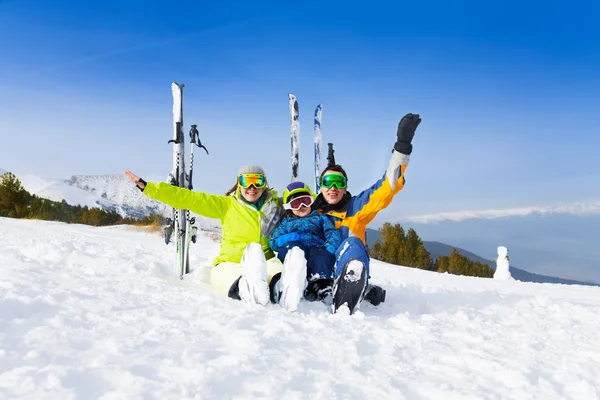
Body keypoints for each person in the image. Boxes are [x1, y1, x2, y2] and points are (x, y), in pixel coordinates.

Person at [124, 165, 284, 306]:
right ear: (238, 184)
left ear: (264, 185)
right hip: (231, 261)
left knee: (275, 268)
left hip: (264, 259)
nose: (252, 187)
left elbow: (304, 200)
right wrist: (149, 188)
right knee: (221, 276)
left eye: (257, 182)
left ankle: (281, 287)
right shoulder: (226, 205)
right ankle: (247, 287)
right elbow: (189, 199)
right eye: (246, 181)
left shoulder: (276, 205)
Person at [312, 113, 422, 314]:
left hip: (346, 266)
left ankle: (350, 285)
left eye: (339, 183)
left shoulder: (356, 208)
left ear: (346, 188)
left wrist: (402, 148)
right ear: (320, 187)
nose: (333, 188)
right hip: (319, 272)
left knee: (352, 243)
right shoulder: (310, 211)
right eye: (328, 183)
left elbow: (387, 187)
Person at [268, 181, 341, 311]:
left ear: (311, 202)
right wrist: (285, 239)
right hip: (295, 251)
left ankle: (321, 284)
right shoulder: (287, 223)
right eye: (296, 203)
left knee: (320, 254)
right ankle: (291, 281)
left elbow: (332, 233)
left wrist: (329, 248)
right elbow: (273, 241)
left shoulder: (320, 218)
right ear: (289, 207)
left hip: (315, 251)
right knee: (293, 250)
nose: (301, 206)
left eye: (305, 201)